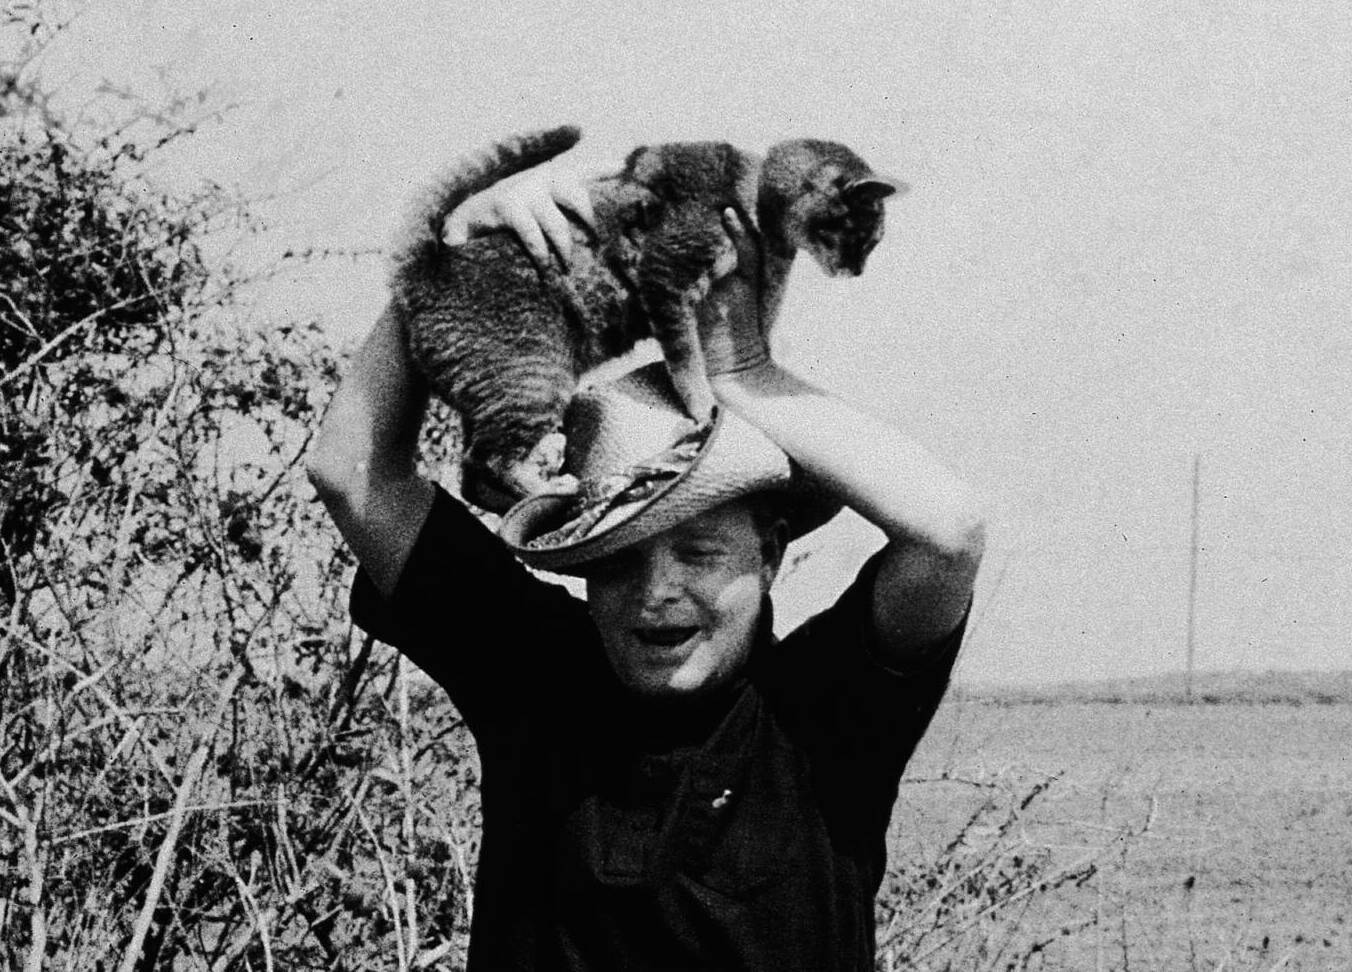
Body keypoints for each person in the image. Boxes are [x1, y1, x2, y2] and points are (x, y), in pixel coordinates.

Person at [307, 148, 986, 970]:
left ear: (769, 552)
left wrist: (742, 374)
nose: (656, 591)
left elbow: (948, 533)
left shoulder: (824, 715)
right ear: (581, 562)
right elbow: (351, 470)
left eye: (699, 549)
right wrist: (460, 261)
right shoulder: (534, 675)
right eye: (619, 557)